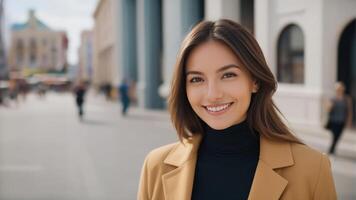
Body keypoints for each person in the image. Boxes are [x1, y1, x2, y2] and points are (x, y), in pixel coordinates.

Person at [137, 19, 336, 200]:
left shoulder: (312, 169)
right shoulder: (156, 166)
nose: (212, 94)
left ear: (255, 81)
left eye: (228, 75)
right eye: (196, 79)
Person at [326, 82, 353, 155]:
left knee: (338, 135)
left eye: (340, 89)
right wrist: (330, 105)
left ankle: (332, 148)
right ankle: (332, 149)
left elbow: (349, 111)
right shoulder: (333, 98)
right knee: (335, 135)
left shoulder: (347, 99)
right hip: (333, 121)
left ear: (343, 89)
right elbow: (328, 109)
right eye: (337, 89)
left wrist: (349, 121)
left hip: (342, 121)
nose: (338, 90)